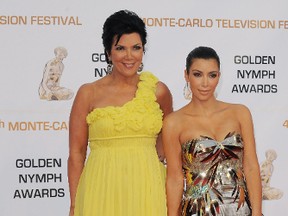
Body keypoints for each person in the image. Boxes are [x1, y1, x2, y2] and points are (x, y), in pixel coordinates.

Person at [68, 9, 173, 216]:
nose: (129, 56)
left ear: (143, 50)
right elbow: (76, 154)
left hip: (148, 189)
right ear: (108, 52)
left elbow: (167, 144)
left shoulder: (158, 91)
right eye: (120, 48)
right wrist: (74, 205)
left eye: (136, 48)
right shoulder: (88, 93)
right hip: (100, 189)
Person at [162, 46, 262, 216]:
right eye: (197, 74)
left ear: (219, 76)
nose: (205, 83)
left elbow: (251, 166)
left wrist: (258, 212)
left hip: (240, 209)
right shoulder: (174, 122)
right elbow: (175, 178)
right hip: (198, 210)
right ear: (186, 75)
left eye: (212, 75)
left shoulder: (240, 113)